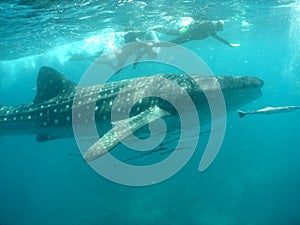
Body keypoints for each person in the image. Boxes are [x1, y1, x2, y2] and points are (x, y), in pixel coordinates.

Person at [124, 19, 240, 47]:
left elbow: (219, 38)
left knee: (170, 43)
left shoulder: (212, 30)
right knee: (169, 33)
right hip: (185, 33)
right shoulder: (208, 25)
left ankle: (144, 42)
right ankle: (146, 30)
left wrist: (229, 44)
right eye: (217, 28)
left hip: (188, 37)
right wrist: (187, 32)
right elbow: (193, 25)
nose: (217, 30)